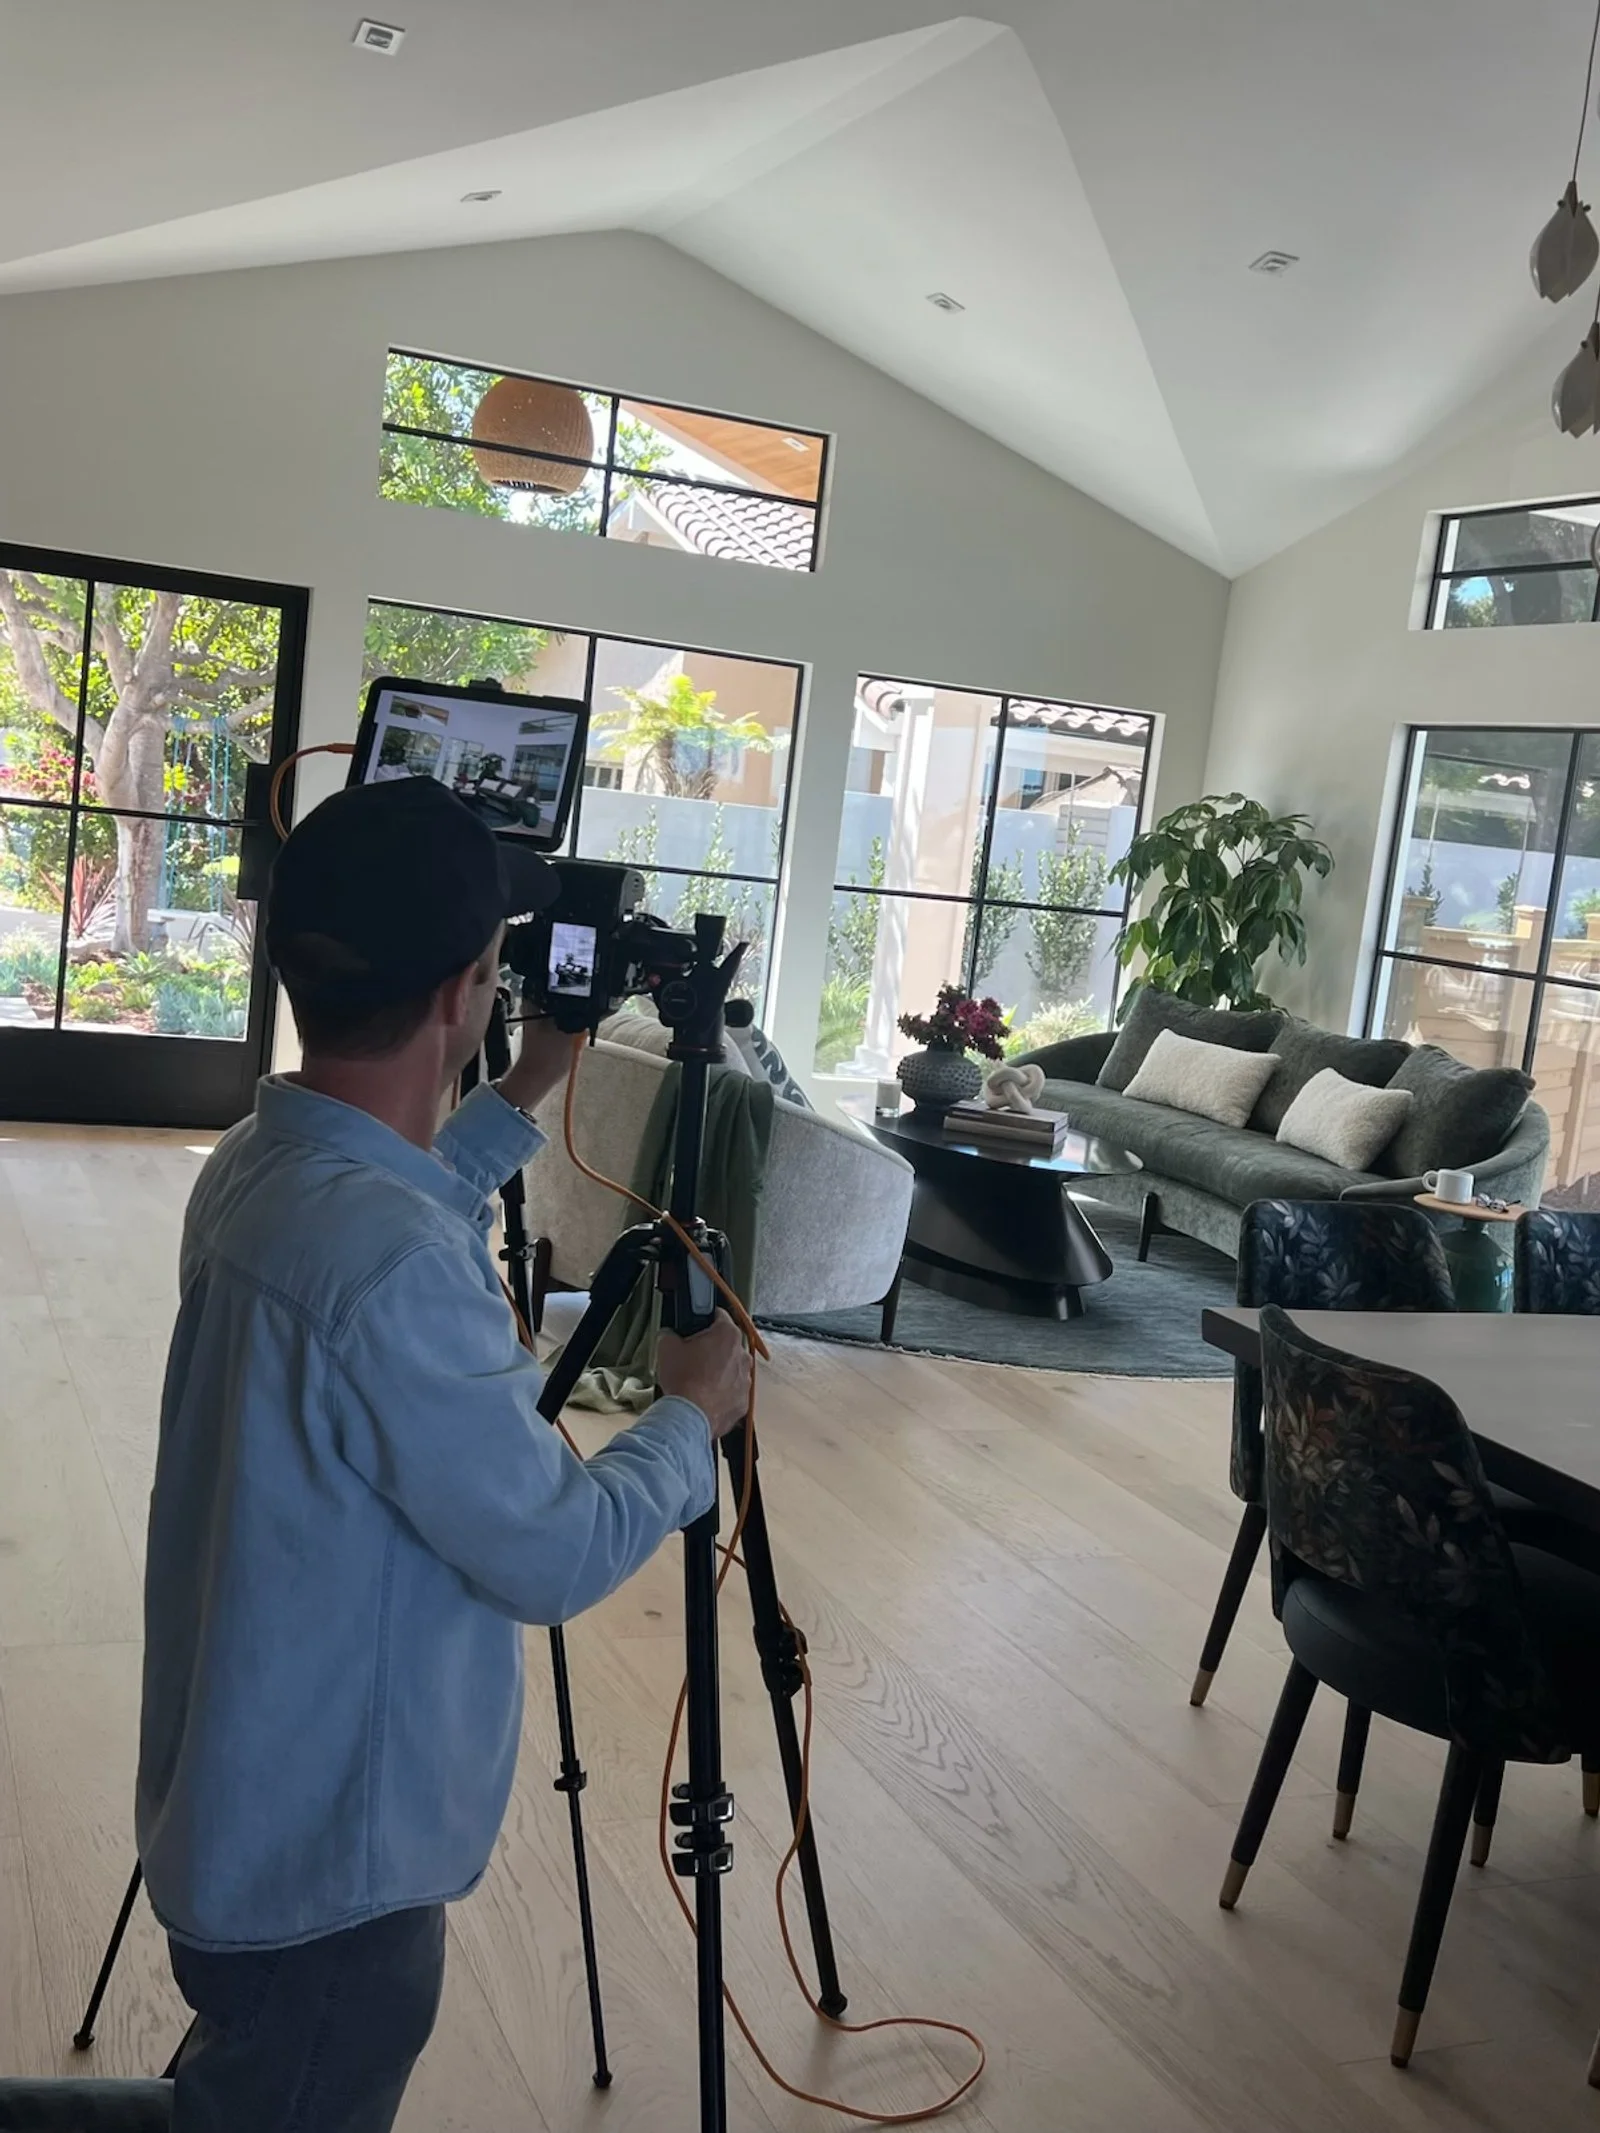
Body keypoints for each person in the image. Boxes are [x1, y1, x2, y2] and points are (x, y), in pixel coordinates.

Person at [136, 776, 749, 2132]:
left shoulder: (256, 1164)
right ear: (464, 989)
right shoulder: (393, 1262)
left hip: (241, 1816)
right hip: (334, 1889)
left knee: (242, 2090)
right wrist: (688, 1420)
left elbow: (394, 1196)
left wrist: (523, 1090)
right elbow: (551, 1552)